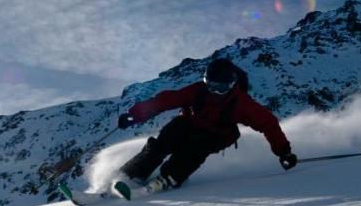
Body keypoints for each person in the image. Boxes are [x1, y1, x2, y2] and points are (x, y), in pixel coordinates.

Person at [114, 58, 297, 197]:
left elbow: (268, 123)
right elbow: (164, 101)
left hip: (217, 134)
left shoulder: (241, 103)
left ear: (231, 85)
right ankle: (131, 174)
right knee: (166, 138)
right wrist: (134, 116)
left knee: (195, 148)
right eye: (210, 86)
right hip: (189, 123)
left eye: (220, 88)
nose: (215, 92)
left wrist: (284, 152)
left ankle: (170, 177)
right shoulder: (199, 91)